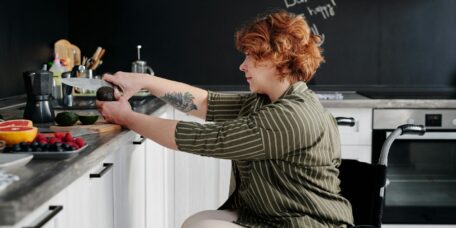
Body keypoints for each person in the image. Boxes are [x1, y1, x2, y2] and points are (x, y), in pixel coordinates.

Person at [97, 10, 354, 228]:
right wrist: (143, 81)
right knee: (195, 224)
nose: (243, 66)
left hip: (302, 223)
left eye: (252, 56)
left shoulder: (290, 116)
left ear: (279, 59)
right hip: (269, 216)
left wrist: (127, 117)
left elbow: (203, 138)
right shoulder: (265, 100)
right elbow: (206, 103)